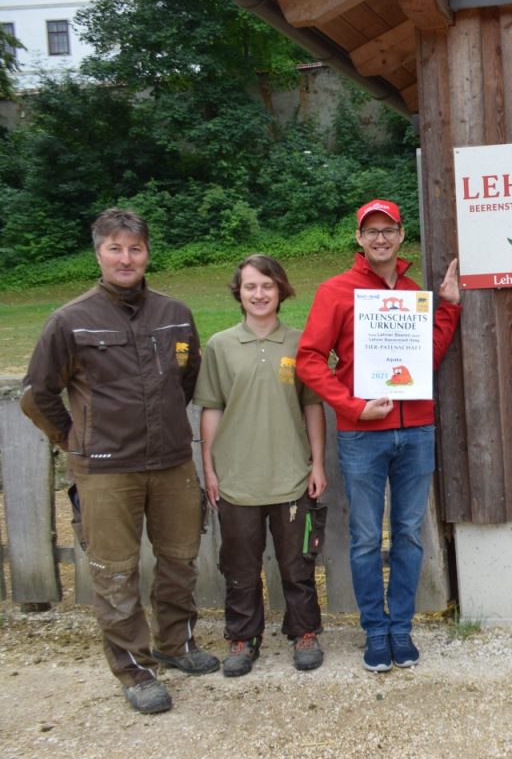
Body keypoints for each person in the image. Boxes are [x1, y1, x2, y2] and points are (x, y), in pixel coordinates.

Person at [20, 208, 218, 714]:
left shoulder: (175, 313)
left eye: (135, 248)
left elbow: (188, 377)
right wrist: (75, 440)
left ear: (147, 253)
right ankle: (134, 668)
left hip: (172, 462)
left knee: (179, 560)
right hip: (105, 470)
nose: (125, 258)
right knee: (114, 572)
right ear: (98, 253)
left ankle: (177, 645)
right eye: (115, 248)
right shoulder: (70, 320)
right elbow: (36, 394)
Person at [296, 198, 461, 672]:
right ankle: (374, 629)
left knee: (408, 535)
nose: (381, 238)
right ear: (359, 239)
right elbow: (310, 359)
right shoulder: (336, 291)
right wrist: (352, 406)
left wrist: (447, 308)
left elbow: (423, 359)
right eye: (371, 231)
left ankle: (400, 628)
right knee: (367, 538)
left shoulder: (411, 292)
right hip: (361, 434)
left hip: (416, 431)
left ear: (401, 234)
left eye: (388, 229)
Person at [194, 255, 328, 677]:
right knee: (240, 567)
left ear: (281, 290)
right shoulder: (220, 345)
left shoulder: (299, 343)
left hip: (290, 476)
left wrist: (317, 463)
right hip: (237, 479)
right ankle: (242, 637)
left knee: (297, 564)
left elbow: (312, 406)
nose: (259, 294)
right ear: (239, 292)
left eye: (267, 286)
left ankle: (304, 632)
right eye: (250, 286)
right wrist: (210, 470)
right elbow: (211, 409)